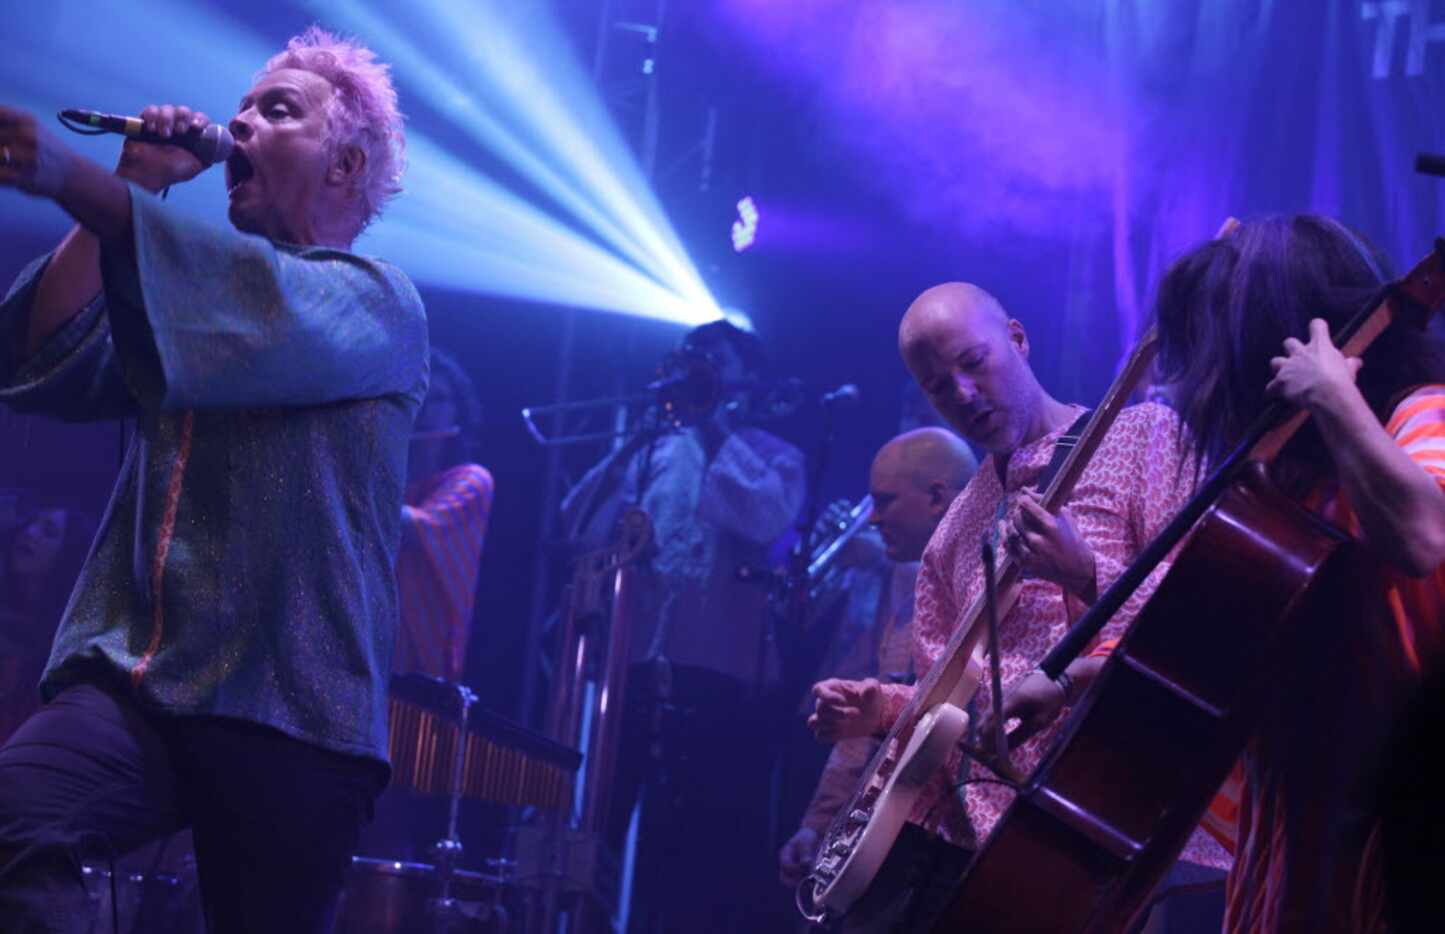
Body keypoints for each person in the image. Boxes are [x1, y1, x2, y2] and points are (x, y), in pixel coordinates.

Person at [0, 27, 426, 933]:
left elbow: (255, 306)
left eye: (278, 111)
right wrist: (133, 182)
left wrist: (67, 176)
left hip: (296, 710)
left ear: (346, 166)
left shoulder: (380, 303)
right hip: (141, 684)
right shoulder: (185, 296)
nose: (237, 122)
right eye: (240, 107)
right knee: (12, 819)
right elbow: (43, 352)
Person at [808, 282, 1228, 931]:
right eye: (939, 386)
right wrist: (883, 707)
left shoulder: (1143, 437)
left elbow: (1211, 625)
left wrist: (1086, 572)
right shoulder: (952, 533)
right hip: (1005, 851)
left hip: (1136, 816)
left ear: (1017, 337)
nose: (964, 396)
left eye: (973, 362)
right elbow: (949, 696)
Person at [1147, 215, 1445, 932]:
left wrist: (1335, 398)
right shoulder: (1286, 477)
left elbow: (1422, 535)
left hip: (1396, 821)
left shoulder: (1419, 413)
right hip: (1295, 813)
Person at [559, 319, 805, 932]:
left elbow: (765, 521)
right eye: (697, 358)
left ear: (749, 379)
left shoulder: (775, 455)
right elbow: (576, 526)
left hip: (716, 680)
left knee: (694, 850)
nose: (704, 369)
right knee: (599, 833)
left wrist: (713, 422)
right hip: (633, 667)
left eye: (719, 361)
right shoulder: (651, 451)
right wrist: (631, 444)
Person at [777, 428, 976, 890]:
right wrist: (818, 823)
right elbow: (866, 725)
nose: (872, 519)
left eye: (885, 502)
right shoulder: (906, 593)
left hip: (954, 848)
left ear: (936, 498)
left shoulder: (981, 580)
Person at [393, 347, 493, 681]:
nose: (424, 409)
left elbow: (414, 527)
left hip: (423, 676)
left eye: (438, 400)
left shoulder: (471, 480)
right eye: (418, 396)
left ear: (458, 414)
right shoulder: (384, 478)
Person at [0, 506, 95, 743]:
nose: (29, 532)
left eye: (48, 531)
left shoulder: (65, 641)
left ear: (67, 554)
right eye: (30, 524)